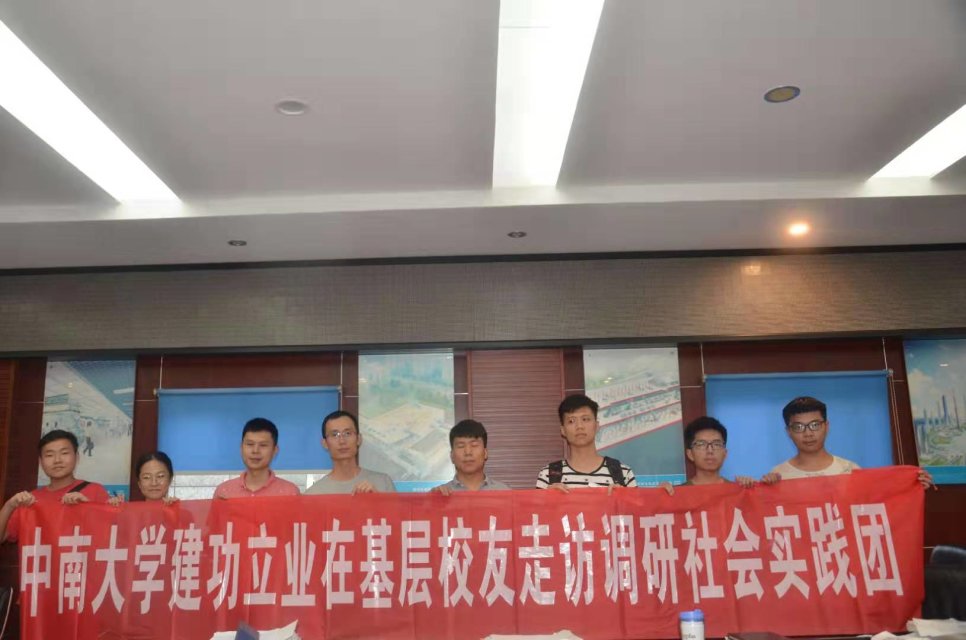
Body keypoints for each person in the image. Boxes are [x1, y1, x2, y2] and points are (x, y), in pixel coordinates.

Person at [765, 396, 934, 488]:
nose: (808, 433)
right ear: (788, 432)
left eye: (815, 425)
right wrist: (764, 489)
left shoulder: (850, 470)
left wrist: (911, 485)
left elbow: (874, 503)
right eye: (799, 427)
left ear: (826, 426)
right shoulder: (779, 475)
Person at [0, 429, 111, 543]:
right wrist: (9, 505)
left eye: (64, 453)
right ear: (41, 462)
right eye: (49, 455)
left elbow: (112, 534)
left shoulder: (95, 491)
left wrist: (87, 507)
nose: (57, 460)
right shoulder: (29, 501)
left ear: (77, 457)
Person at [536, 394, 636, 490]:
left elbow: (636, 503)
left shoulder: (623, 473)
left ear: (596, 426)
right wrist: (549, 498)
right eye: (571, 421)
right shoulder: (548, 475)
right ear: (563, 430)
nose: (579, 426)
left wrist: (622, 497)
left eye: (585, 419)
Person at [305, 410, 395, 495]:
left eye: (347, 433)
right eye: (335, 435)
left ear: (358, 439)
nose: (342, 441)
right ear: (325, 443)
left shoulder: (383, 482)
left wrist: (378, 499)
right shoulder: (313, 493)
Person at [214, 418, 300, 498]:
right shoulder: (224, 492)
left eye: (263, 445)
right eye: (250, 444)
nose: (255, 451)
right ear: (241, 447)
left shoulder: (290, 492)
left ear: (275, 450)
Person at [433, 419, 511, 494]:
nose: (468, 452)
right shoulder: (440, 495)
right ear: (452, 456)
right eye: (461, 446)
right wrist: (432, 499)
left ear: (485, 453)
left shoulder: (505, 493)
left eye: (474, 445)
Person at [681, 416, 756, 487]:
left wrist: (752, 489)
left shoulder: (739, 491)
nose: (710, 450)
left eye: (716, 444)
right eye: (701, 444)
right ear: (690, 454)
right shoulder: (678, 493)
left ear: (725, 453)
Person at [109, 451, 179, 505]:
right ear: (139, 483)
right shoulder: (128, 513)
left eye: (160, 476)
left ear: (170, 479)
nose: (154, 483)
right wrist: (113, 510)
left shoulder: (180, 513)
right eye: (146, 477)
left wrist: (176, 512)